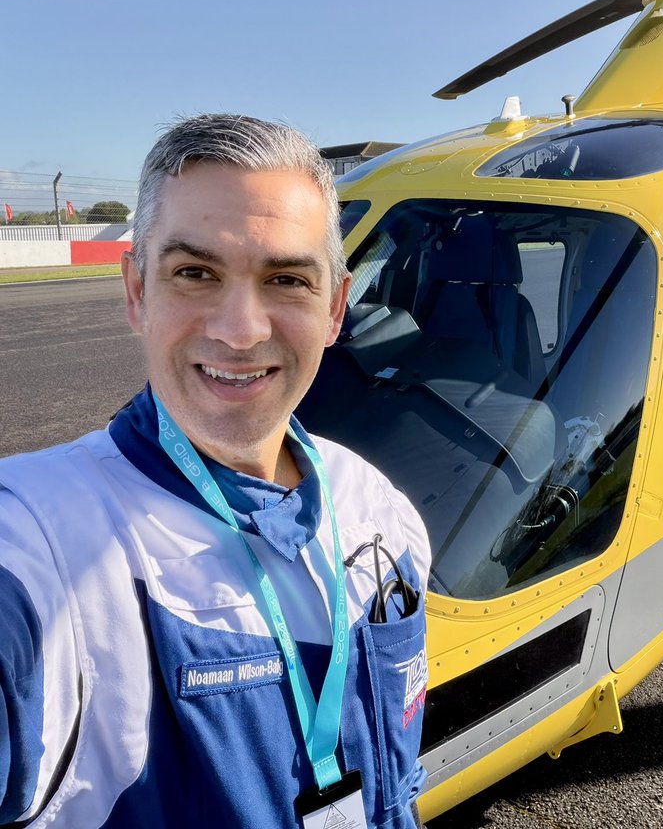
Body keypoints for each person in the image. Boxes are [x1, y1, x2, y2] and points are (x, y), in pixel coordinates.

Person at [0, 115, 431, 828]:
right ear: (137, 292)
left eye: (286, 278)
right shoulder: (44, 539)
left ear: (333, 309)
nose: (240, 329)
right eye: (195, 273)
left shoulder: (383, 512)